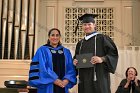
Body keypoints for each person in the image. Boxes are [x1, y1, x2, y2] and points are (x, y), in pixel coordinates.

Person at [73, 13, 119, 93]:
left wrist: (102, 59)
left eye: (89, 24)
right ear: (82, 27)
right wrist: (75, 61)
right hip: (84, 79)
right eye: (84, 24)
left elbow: (113, 54)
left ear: (94, 25)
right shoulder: (80, 43)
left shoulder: (102, 39)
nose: (87, 27)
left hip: (98, 78)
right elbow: (76, 57)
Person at [28, 28, 77, 93]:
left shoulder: (66, 52)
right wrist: (54, 79)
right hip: (47, 86)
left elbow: (71, 68)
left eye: (57, 35)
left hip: (63, 85)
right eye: (53, 35)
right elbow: (42, 67)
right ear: (49, 37)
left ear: (60, 37)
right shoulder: (42, 50)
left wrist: (67, 79)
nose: (55, 37)